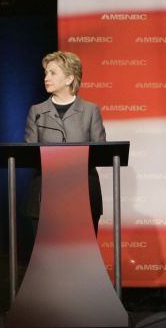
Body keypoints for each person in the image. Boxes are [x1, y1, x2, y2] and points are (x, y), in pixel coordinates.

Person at [24, 50, 106, 232]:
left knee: (82, 256)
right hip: (46, 193)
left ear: (69, 79)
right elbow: (30, 153)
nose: (46, 77)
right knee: (48, 257)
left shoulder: (90, 111)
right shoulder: (37, 112)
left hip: (83, 191)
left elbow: (100, 152)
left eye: (53, 73)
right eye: (46, 73)